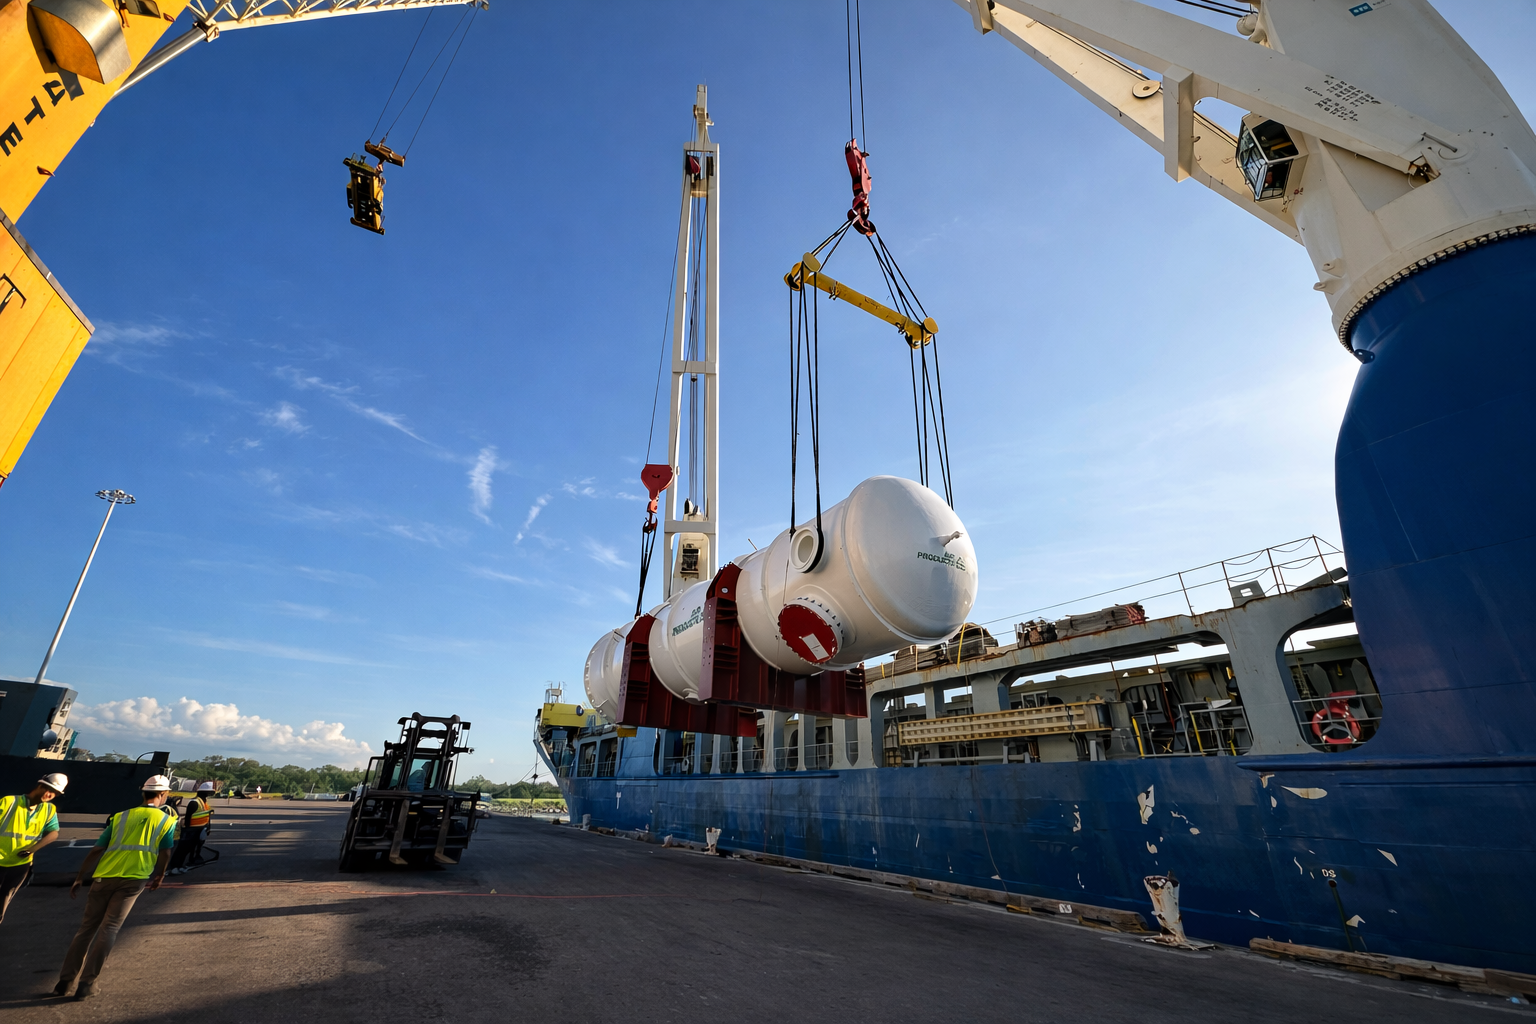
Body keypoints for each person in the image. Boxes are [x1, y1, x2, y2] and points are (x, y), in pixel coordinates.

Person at [49, 775, 177, 1000]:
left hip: (103, 876)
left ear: (143, 793)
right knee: (110, 929)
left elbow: (97, 849)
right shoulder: (167, 821)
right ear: (163, 794)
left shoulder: (120, 816)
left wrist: (80, 876)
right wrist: (160, 875)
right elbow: (165, 852)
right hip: (133, 879)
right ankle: (87, 984)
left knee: (86, 929)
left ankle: (65, 981)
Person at [0, 773, 67, 923]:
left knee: (3, 902)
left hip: (20, 865)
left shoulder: (49, 810)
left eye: (54, 793)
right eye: (48, 789)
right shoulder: (9, 802)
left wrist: (32, 849)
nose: (49, 794)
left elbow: (53, 833)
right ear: (40, 785)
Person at [168, 782, 215, 875]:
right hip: (191, 830)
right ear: (202, 792)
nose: (209, 794)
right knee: (183, 849)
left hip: (201, 829)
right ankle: (174, 867)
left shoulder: (204, 802)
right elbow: (188, 818)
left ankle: (186, 863)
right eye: (208, 792)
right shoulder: (194, 802)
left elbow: (207, 815)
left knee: (193, 848)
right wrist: (188, 831)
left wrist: (208, 827)